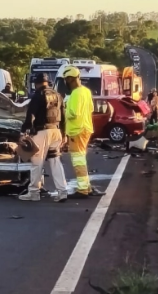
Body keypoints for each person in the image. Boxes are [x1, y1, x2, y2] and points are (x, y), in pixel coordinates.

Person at [19, 74, 68, 202]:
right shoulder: (58, 95)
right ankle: (62, 191)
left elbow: (31, 115)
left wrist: (24, 131)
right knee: (55, 161)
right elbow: (63, 115)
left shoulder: (38, 95)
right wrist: (64, 134)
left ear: (38, 83)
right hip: (56, 131)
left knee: (37, 163)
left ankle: (34, 192)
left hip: (42, 132)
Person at [63, 65, 105, 199]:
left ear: (69, 79)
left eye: (66, 80)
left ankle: (82, 190)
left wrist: (65, 108)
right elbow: (91, 108)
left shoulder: (75, 93)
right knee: (81, 159)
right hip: (86, 128)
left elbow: (73, 113)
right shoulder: (86, 91)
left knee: (78, 161)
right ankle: (86, 186)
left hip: (77, 130)